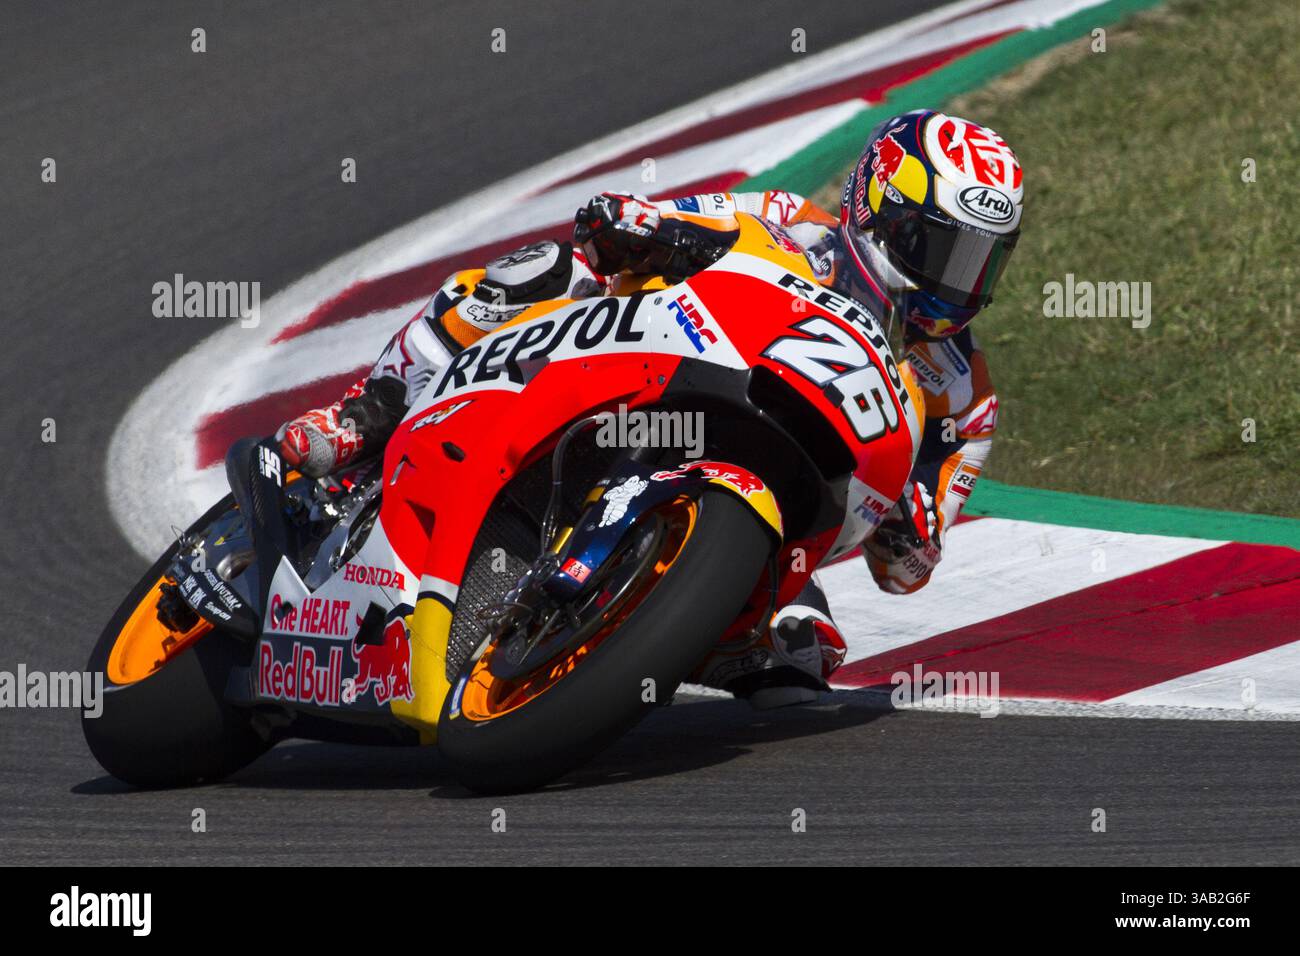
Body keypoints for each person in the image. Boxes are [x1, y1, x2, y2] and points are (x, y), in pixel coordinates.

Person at [277, 109, 1023, 708]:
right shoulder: (788, 224)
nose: (959, 285)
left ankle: (626, 641)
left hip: (780, 534)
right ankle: (364, 417)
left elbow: (905, 574)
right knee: (543, 271)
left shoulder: (964, 394)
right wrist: (638, 227)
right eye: (946, 252)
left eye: (982, 262)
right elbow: (658, 225)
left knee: (807, 654)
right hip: (647, 388)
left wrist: (915, 534)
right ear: (883, 212)